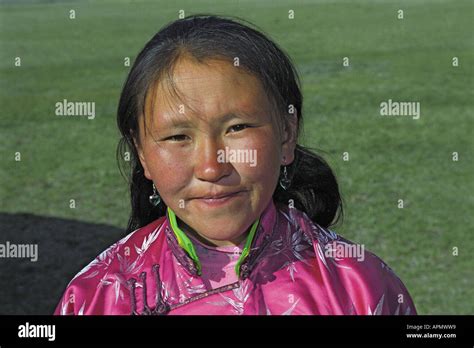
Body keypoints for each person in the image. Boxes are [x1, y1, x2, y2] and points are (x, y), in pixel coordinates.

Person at [54, 15, 416, 315]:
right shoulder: (98, 298)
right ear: (142, 152)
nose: (211, 168)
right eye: (178, 137)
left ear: (286, 135)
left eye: (237, 128)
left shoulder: (359, 288)